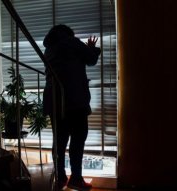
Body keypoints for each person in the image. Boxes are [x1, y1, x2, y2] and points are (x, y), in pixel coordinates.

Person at [42, 24, 100, 191]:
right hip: (74, 101)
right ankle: (76, 179)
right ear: (67, 33)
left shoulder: (49, 49)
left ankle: (60, 179)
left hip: (55, 102)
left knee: (59, 143)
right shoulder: (71, 42)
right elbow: (91, 59)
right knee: (78, 140)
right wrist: (91, 48)